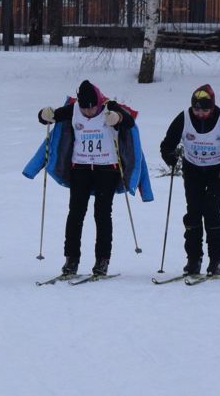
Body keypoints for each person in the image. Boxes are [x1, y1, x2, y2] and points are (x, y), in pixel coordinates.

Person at [31, 80, 150, 277]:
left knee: (102, 215)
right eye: (84, 108)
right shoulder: (73, 109)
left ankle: (102, 260)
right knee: (75, 213)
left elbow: (129, 122)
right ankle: (71, 260)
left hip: (107, 170)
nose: (88, 112)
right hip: (80, 169)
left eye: (91, 108)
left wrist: (118, 117)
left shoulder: (108, 107)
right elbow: (49, 118)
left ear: (97, 102)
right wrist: (44, 115)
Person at [159, 84, 220, 276]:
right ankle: (193, 258)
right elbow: (167, 144)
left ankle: (216, 258)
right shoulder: (183, 117)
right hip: (193, 170)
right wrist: (170, 156)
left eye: (205, 110)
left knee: (211, 208)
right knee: (193, 211)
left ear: (213, 108)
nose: (200, 114)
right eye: (196, 109)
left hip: (218, 171)